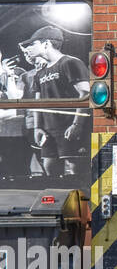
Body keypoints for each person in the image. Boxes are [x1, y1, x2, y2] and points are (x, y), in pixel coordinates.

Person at [19, 25, 90, 179]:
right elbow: (38, 103)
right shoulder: (40, 73)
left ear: (46, 44)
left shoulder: (69, 63)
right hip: (48, 131)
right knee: (49, 169)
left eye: (33, 44)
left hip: (69, 128)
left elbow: (85, 93)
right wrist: (38, 127)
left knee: (75, 171)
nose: (29, 48)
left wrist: (77, 124)